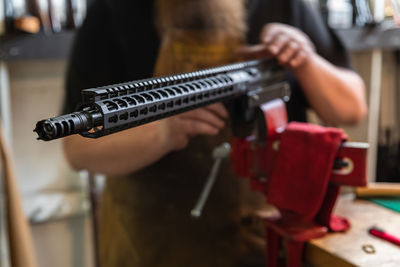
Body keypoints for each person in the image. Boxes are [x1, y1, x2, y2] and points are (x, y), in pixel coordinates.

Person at [62, 0, 367, 266]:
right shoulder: (112, 12)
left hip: (269, 240)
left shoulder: (284, 5)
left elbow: (352, 109)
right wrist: (162, 131)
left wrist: (306, 61)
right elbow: (77, 148)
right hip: (154, 247)